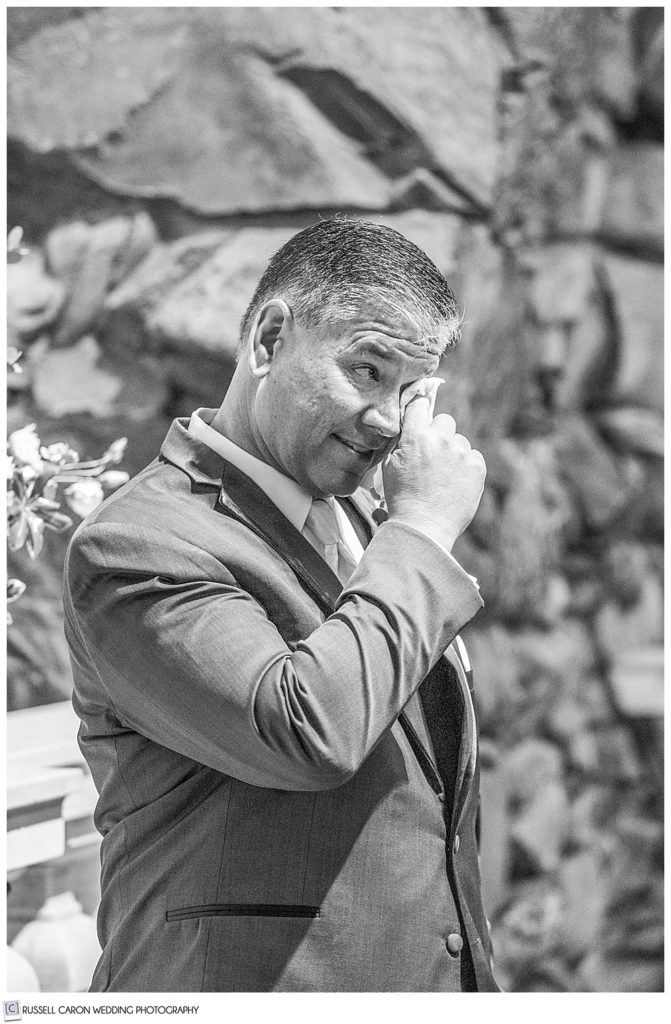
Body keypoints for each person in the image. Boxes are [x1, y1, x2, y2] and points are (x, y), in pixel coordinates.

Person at [63, 217, 498, 992]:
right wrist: (426, 530)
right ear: (268, 340)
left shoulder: (375, 524)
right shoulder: (134, 544)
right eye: (367, 371)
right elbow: (305, 733)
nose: (390, 421)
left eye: (411, 390)